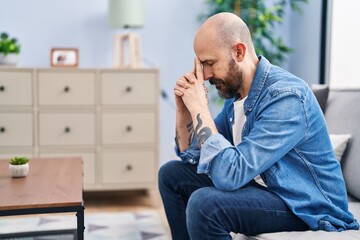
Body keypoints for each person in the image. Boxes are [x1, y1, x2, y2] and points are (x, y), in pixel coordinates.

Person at [158, 12, 359, 240]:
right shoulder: (239, 98)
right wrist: (184, 110)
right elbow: (192, 155)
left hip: (308, 206)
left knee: (205, 204)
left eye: (209, 63)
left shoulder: (286, 97)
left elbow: (229, 175)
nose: (204, 75)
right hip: (268, 191)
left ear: (239, 52)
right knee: (171, 175)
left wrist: (200, 109)